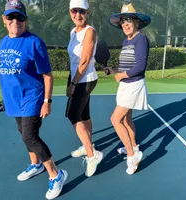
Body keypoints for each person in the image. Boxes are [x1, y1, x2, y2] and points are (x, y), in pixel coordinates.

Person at [0, 1, 67, 199]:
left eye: (19, 17)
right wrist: (5, 98)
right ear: (4, 19)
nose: (15, 20)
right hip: (13, 99)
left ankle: (56, 174)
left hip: (32, 97)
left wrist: (47, 101)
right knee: (22, 133)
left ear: (25, 20)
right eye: (11, 17)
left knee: (30, 137)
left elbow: (48, 75)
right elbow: (7, 74)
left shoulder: (34, 42)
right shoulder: (3, 42)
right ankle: (36, 165)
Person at [106, 3, 151, 175]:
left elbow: (140, 66)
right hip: (125, 85)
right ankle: (132, 145)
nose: (125, 24)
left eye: (129, 20)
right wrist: (114, 71)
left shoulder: (141, 39)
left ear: (137, 23)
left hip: (133, 85)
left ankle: (133, 155)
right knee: (126, 120)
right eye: (123, 21)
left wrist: (122, 75)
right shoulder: (127, 40)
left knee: (115, 120)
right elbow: (125, 65)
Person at [66, 0, 103, 177]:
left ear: (87, 13)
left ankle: (92, 154)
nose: (78, 15)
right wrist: (71, 79)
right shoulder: (73, 31)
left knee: (73, 115)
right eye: (75, 11)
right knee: (84, 115)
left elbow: (85, 60)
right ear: (70, 12)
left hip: (85, 79)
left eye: (82, 11)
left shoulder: (90, 31)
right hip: (75, 77)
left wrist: (73, 83)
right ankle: (88, 144)